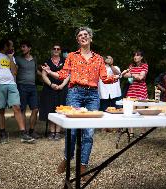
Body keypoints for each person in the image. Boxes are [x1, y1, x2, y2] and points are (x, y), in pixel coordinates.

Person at [41, 27, 120, 177]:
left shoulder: (99, 59)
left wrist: (117, 76)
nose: (83, 37)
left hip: (92, 95)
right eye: (80, 35)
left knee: (89, 132)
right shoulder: (71, 56)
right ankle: (67, 158)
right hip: (74, 93)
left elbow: (104, 78)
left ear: (90, 38)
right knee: (72, 131)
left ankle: (83, 166)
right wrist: (50, 72)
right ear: (78, 40)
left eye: (85, 35)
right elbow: (64, 74)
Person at [0, 39, 34, 143]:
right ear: (5, 46)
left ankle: (23, 133)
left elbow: (14, 72)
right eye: (11, 46)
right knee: (1, 109)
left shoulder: (11, 57)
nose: (13, 48)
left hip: (12, 84)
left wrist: (11, 58)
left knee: (17, 107)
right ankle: (2, 133)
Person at [39, 44, 69, 140]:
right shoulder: (47, 62)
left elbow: (68, 75)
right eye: (54, 48)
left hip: (62, 88)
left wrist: (61, 86)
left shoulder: (65, 62)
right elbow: (44, 75)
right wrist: (51, 84)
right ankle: (52, 132)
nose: (56, 50)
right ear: (51, 50)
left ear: (60, 51)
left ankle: (58, 132)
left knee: (60, 109)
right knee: (51, 110)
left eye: (58, 49)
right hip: (49, 88)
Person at [15, 40, 40, 139]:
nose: (22, 48)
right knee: (22, 109)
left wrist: (47, 74)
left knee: (35, 109)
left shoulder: (34, 60)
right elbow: (14, 71)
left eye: (24, 46)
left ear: (29, 48)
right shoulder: (17, 59)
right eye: (21, 47)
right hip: (21, 86)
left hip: (33, 86)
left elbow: (36, 71)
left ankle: (32, 131)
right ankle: (23, 132)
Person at [121, 50, 148, 138]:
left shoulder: (145, 65)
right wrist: (135, 74)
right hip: (132, 90)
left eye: (137, 55)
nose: (135, 57)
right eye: (134, 56)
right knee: (130, 112)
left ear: (141, 57)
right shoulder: (131, 66)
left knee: (141, 112)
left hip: (141, 90)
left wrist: (132, 74)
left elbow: (141, 77)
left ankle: (143, 132)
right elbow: (125, 75)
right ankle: (131, 132)